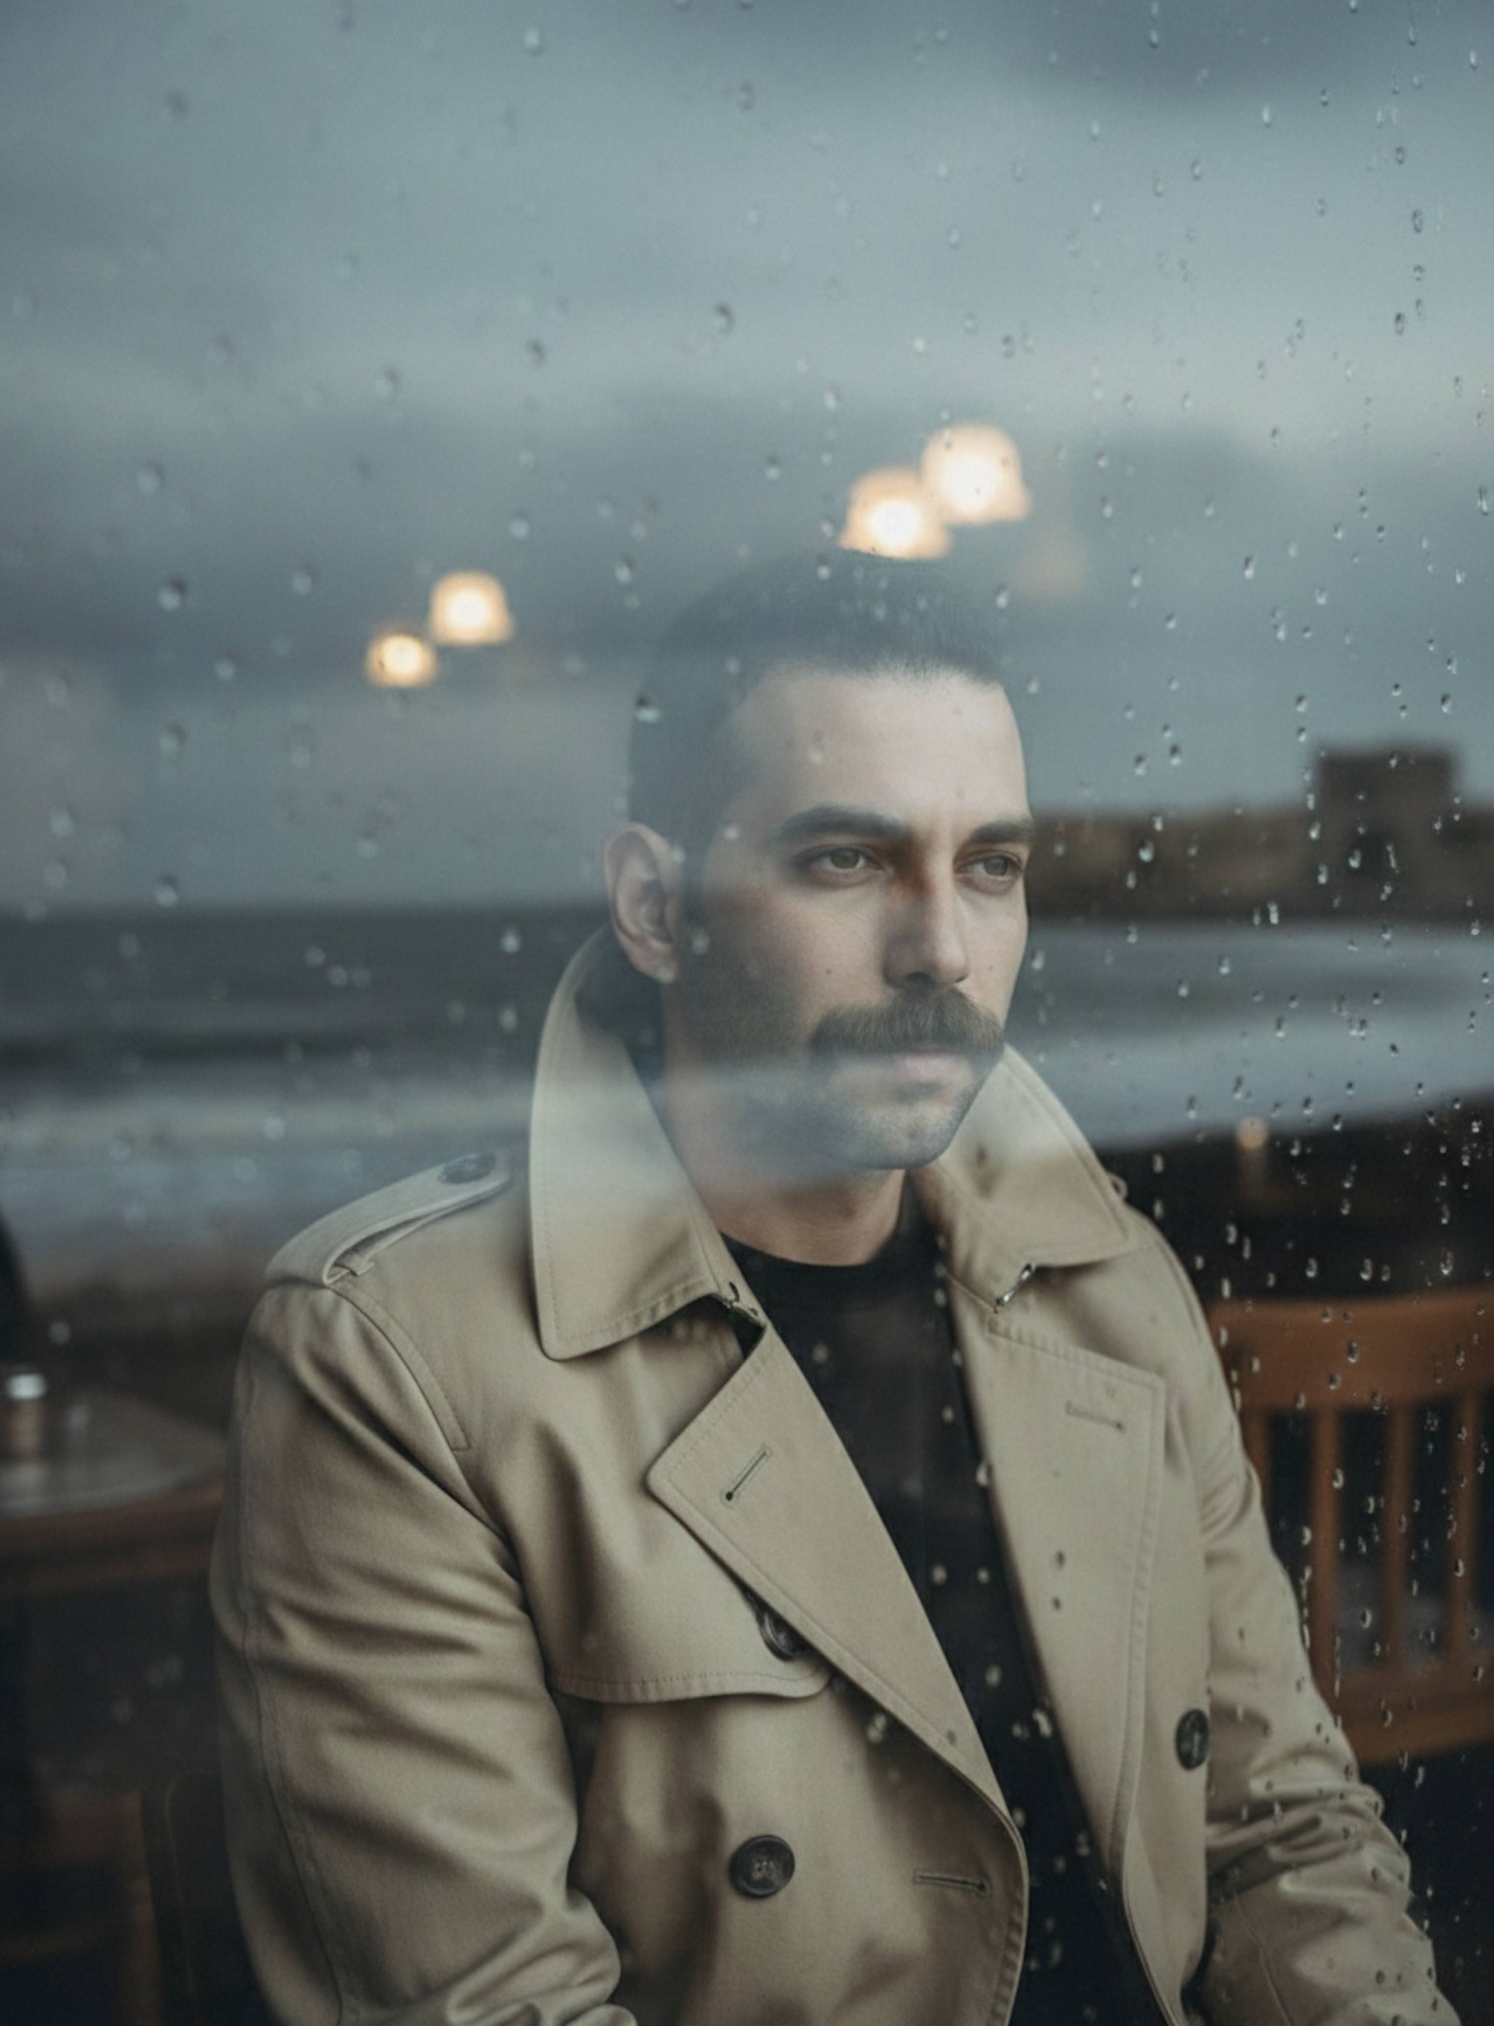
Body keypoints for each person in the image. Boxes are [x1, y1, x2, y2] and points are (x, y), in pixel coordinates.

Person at [213, 550, 1453, 2025]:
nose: (942, 948)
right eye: (846, 861)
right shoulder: (395, 1362)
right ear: (656, 909)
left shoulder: (1110, 1280)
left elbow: (1284, 1830)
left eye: (990, 866)